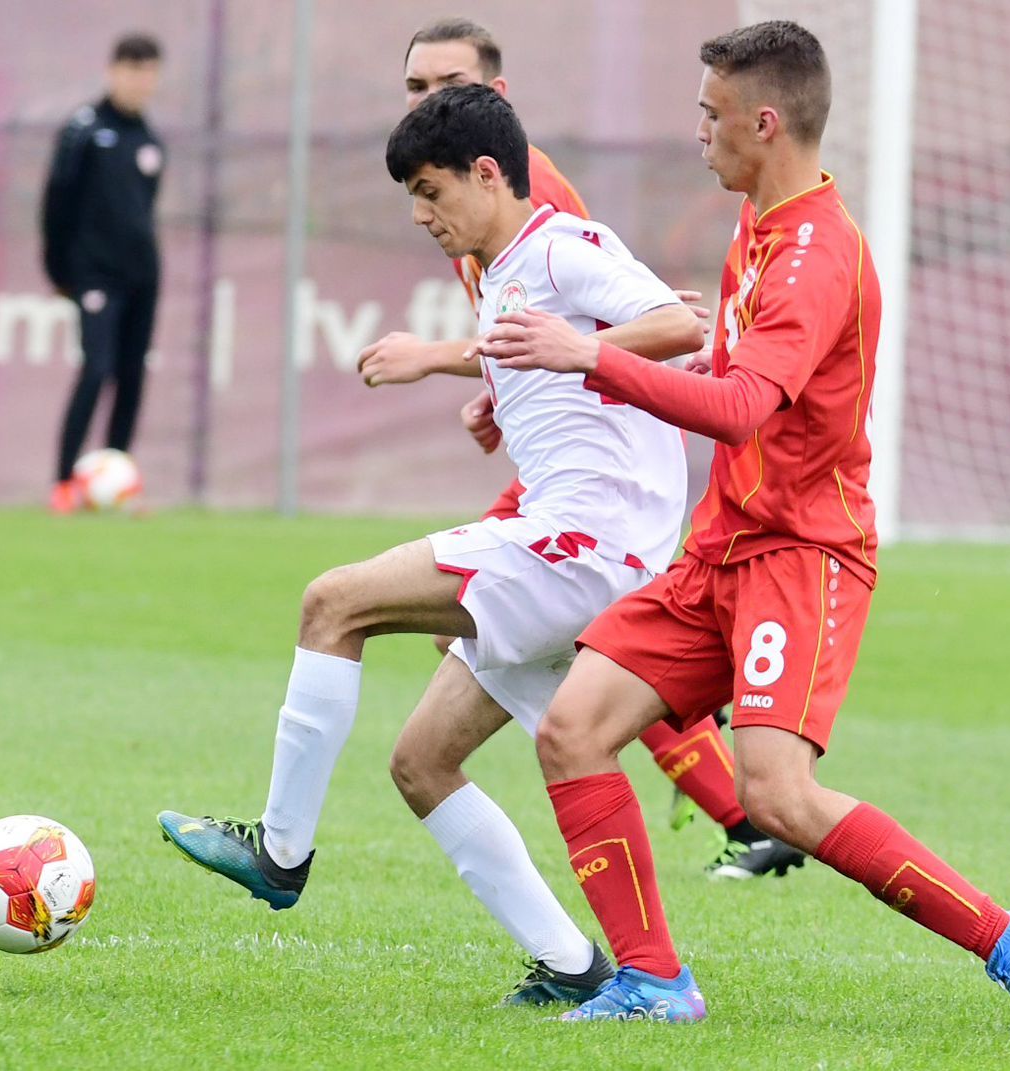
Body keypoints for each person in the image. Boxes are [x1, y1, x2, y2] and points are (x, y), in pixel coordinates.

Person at [480, 21, 1010, 1035]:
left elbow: (740, 408)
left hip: (801, 555)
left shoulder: (816, 255)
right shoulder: (759, 227)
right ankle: (654, 983)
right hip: (722, 546)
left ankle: (1004, 935)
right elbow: (724, 383)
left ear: (765, 123)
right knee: (575, 731)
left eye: (710, 116)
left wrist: (584, 357)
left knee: (776, 795)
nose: (697, 135)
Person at [158, 84, 705, 1006]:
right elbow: (555, 347)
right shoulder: (507, 271)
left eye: (430, 190)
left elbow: (683, 324)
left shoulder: (563, 244)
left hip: (585, 543)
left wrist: (569, 352)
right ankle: (577, 967)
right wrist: (486, 374)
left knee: (335, 601)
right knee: (421, 762)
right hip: (580, 548)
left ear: (487, 173)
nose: (420, 214)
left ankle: (280, 852)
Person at [355, 16, 804, 882]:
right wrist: (497, 385)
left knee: (551, 630)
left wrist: (435, 358)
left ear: (497, 99)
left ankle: (739, 812)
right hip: (561, 447)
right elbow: (542, 326)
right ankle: (736, 812)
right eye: (415, 87)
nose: (429, 101)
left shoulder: (526, 188)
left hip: (597, 467)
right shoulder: (447, 182)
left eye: (449, 85)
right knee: (533, 632)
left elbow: (599, 315)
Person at [41, 33, 165, 513]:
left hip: (142, 276)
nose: (140, 80)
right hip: (96, 276)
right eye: (132, 69)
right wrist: (59, 269)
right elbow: (57, 203)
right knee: (96, 369)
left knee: (132, 376)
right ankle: (62, 483)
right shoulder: (84, 129)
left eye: (148, 71)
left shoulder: (150, 141)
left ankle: (118, 481)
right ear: (113, 71)